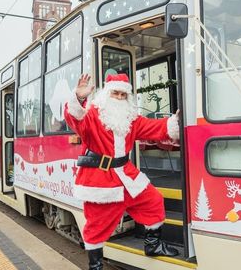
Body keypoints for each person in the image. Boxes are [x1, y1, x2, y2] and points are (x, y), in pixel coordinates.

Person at [64, 73, 180, 270]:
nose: (118, 98)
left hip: (126, 175)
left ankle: (153, 245)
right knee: (96, 226)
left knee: (153, 201)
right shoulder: (92, 115)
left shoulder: (131, 119)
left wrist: (174, 122)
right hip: (100, 180)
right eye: (115, 93)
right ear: (106, 95)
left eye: (122, 95)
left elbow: (153, 127)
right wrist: (79, 98)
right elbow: (76, 119)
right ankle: (96, 266)